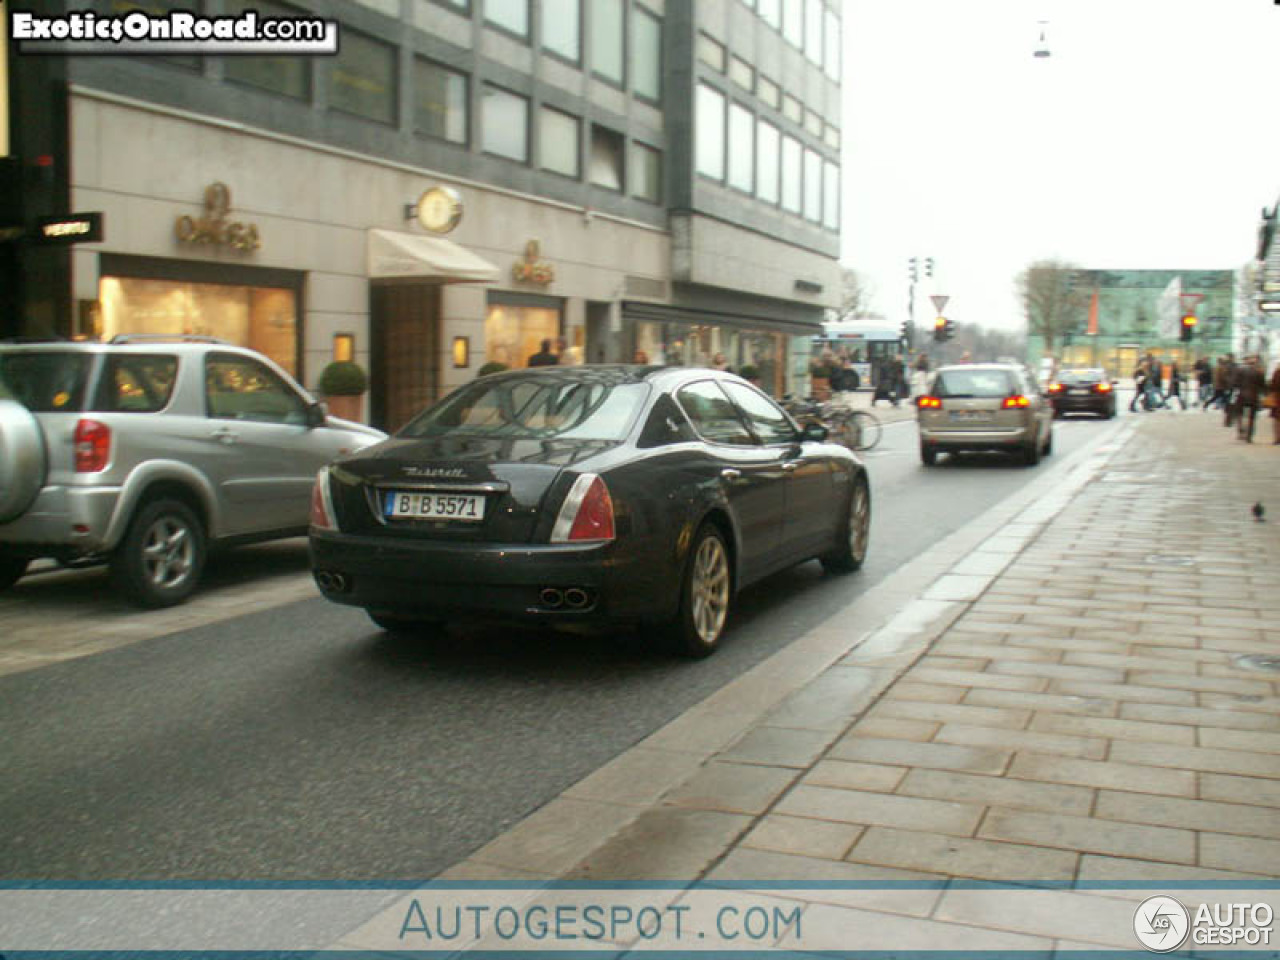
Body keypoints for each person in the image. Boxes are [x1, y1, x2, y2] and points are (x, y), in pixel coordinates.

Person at [1234, 355, 1266, 443]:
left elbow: (1235, 383)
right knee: (1252, 417)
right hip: (1254, 396)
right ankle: (1249, 436)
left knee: (1240, 413)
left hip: (1242, 395)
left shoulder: (1240, 370)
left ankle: (1240, 430)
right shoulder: (1259, 372)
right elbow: (1263, 386)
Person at [1268, 362, 1280, 445]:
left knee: (1277, 419)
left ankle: (1277, 438)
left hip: (1277, 399)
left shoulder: (1277, 372)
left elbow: (1272, 386)